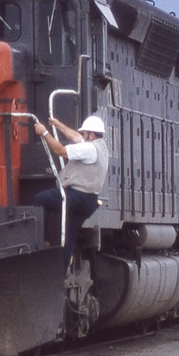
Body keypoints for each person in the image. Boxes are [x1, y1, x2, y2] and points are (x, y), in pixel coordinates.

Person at [33, 115, 109, 270]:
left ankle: (44, 240)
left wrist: (44, 132)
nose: (82, 136)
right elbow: (75, 136)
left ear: (91, 135)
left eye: (85, 133)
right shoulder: (100, 147)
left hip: (78, 197)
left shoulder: (89, 149)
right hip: (90, 201)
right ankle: (60, 275)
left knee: (40, 200)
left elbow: (60, 150)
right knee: (68, 238)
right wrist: (59, 124)